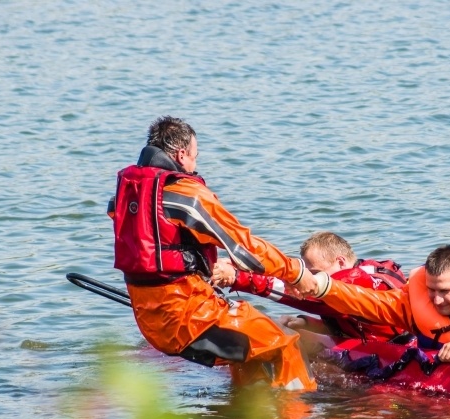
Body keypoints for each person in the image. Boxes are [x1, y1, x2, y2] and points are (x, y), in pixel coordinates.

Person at [108, 116, 318, 390]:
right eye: (195, 157)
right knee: (284, 344)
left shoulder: (126, 196)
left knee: (251, 346)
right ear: (181, 155)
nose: (195, 165)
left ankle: (244, 415)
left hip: (151, 323)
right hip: (191, 321)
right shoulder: (186, 195)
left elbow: (156, 249)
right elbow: (245, 248)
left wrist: (197, 262)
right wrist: (296, 273)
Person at [303, 245, 450, 362]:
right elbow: (369, 302)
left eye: (445, 291)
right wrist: (323, 287)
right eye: (431, 290)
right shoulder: (416, 300)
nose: (436, 299)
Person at [211, 231, 408, 342]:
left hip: (399, 351)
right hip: (374, 344)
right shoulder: (358, 274)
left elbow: (306, 293)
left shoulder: (362, 281)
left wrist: (237, 277)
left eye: (314, 273)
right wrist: (308, 323)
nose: (308, 279)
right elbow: (355, 322)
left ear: (340, 261)